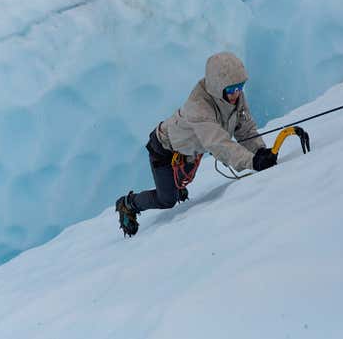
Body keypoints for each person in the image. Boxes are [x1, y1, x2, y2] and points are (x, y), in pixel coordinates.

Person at [115, 51, 277, 236]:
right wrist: (253, 161)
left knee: (179, 188)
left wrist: (261, 151)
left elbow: (245, 129)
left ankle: (176, 186)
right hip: (163, 147)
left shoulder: (233, 96)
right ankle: (128, 203)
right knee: (167, 199)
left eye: (240, 87)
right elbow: (219, 144)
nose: (237, 93)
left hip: (191, 149)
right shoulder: (198, 107)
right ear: (218, 87)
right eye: (233, 89)